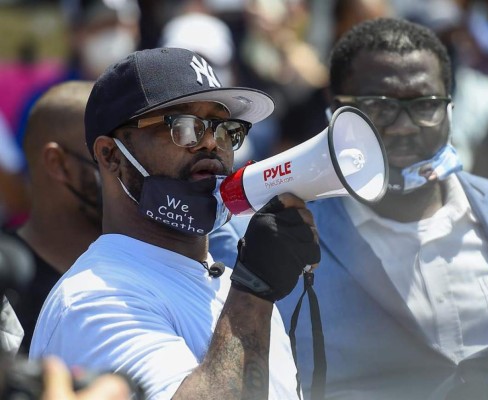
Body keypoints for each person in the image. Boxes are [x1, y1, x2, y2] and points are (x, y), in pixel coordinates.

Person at [30, 47, 320, 400]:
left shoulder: (232, 286)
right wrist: (254, 293)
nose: (213, 143)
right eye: (182, 127)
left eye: (226, 129)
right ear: (110, 156)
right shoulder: (93, 299)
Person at [276, 17, 488, 400]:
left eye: (425, 104)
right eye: (379, 107)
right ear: (335, 110)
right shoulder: (280, 241)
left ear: (449, 107)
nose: (403, 126)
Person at [3, 81, 102, 354]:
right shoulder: (7, 281)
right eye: (105, 155)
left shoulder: (136, 264)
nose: (124, 169)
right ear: (57, 163)